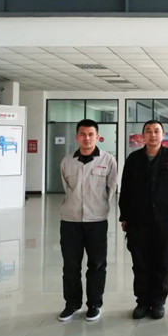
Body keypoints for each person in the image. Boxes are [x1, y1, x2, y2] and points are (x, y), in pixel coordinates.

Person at [119, 120, 168, 320]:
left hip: (165, 220)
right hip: (138, 220)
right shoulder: (134, 159)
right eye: (148, 131)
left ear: (163, 135)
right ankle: (142, 302)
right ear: (143, 136)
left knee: (162, 262)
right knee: (140, 262)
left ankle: (158, 302)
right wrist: (124, 216)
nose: (153, 134)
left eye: (157, 131)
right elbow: (126, 189)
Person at [58, 119, 118, 322]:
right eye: (82, 134)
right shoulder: (67, 161)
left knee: (97, 264)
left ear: (97, 137)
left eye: (91, 134)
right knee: (70, 265)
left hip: (97, 220)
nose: (87, 138)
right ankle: (72, 303)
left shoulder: (108, 160)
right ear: (77, 137)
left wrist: (99, 206)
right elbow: (67, 188)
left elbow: (111, 187)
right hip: (70, 220)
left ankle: (94, 304)